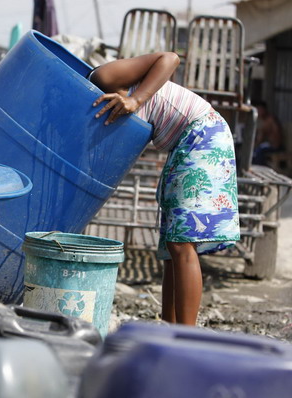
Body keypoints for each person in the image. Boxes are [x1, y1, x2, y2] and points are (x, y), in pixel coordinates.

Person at [88, 52, 240, 326]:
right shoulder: (96, 108)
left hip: (202, 134)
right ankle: (170, 330)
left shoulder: (102, 78)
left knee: (182, 242)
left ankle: (186, 335)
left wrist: (136, 99)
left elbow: (170, 58)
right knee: (172, 246)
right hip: (183, 143)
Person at [253, 101, 284, 166]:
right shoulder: (264, 120)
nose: (258, 112)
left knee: (258, 150)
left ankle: (259, 167)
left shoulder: (270, 120)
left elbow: (261, 137)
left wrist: (256, 143)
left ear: (264, 110)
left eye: (259, 110)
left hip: (275, 146)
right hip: (269, 144)